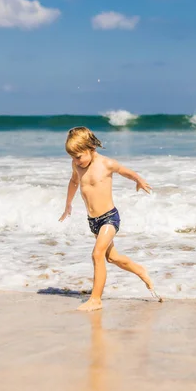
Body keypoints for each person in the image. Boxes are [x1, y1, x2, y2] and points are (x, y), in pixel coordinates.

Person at [58, 126, 162, 311]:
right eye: (72, 157)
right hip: (94, 222)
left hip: (109, 218)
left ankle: (96, 299)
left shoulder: (106, 164)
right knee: (112, 258)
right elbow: (74, 181)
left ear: (91, 148)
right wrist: (68, 205)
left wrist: (138, 180)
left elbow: (124, 171)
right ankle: (141, 271)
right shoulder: (77, 165)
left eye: (79, 156)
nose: (75, 161)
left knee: (97, 254)